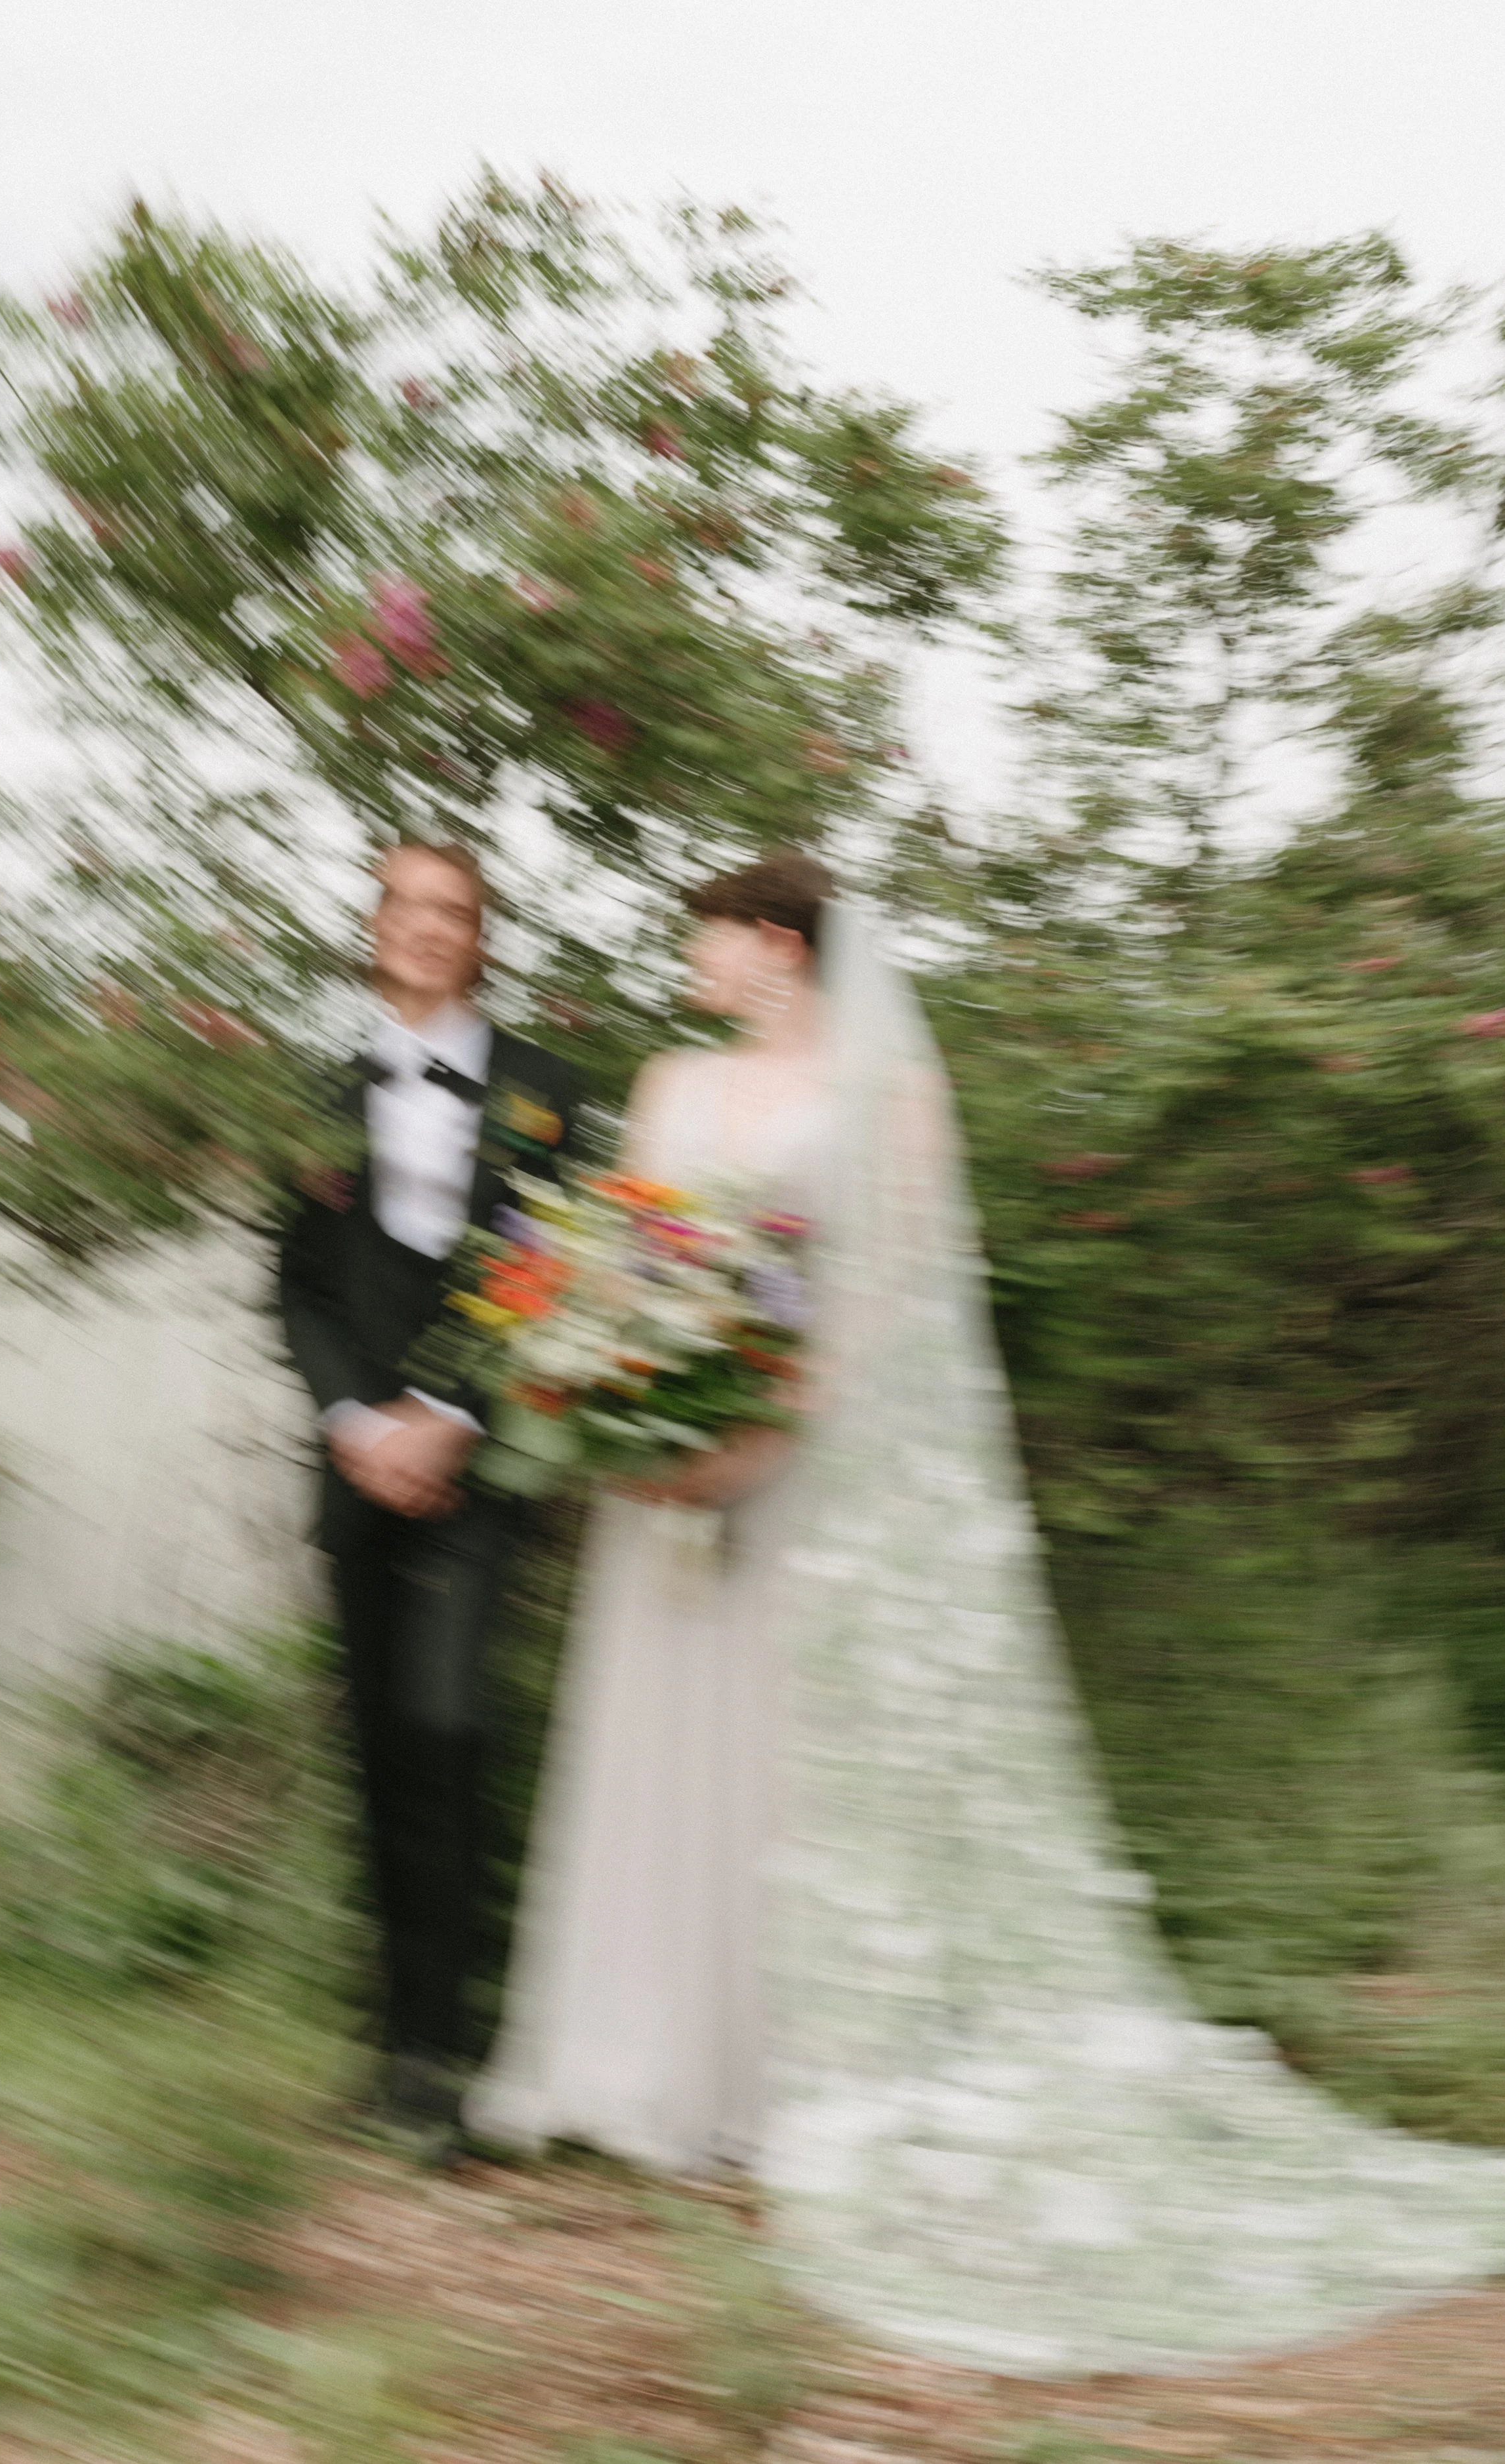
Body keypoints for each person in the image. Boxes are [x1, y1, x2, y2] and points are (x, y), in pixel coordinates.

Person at [467, 847, 1505, 2375]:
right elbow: (628, 1252)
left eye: (708, 935)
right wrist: (630, 1410)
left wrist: (765, 1424)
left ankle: (785, 2079)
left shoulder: (889, 1090)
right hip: (665, 1482)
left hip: (799, 1470)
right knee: (660, 1746)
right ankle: (643, 2071)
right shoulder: (670, 1079)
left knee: (786, 1765)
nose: (690, 961)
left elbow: (890, 1290)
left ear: (767, 941)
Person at [279, 839, 581, 2130]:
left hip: (479, 1469)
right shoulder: (308, 1085)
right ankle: (389, 2041)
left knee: (452, 1731)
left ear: (481, 936)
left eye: (452, 912)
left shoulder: (547, 1094)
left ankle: (452, 2051)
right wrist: (356, 1419)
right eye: (406, 908)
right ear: (375, 925)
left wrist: (450, 1413)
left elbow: (559, 1272)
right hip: (355, 1470)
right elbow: (292, 1286)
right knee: (376, 1747)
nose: (426, 929)